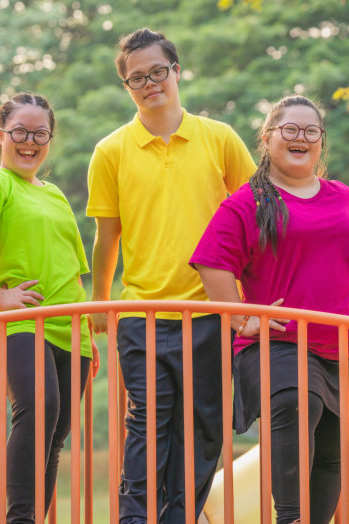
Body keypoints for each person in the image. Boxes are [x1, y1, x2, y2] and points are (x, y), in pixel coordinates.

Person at [189, 95, 349, 524]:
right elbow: (211, 262)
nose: (301, 138)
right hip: (282, 343)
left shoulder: (345, 198)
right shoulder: (246, 203)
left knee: (330, 459)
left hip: (348, 347)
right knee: (295, 403)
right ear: (268, 138)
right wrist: (241, 319)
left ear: (320, 143)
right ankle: (289, 518)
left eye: (311, 132)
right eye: (290, 129)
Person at [86, 28, 256, 523]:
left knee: (204, 425)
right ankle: (135, 518)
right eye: (136, 78)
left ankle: (179, 515)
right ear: (127, 86)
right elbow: (107, 237)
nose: (149, 84)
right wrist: (99, 301)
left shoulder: (219, 138)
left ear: (176, 71)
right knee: (147, 420)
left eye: (157, 72)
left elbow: (256, 217)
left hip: (213, 311)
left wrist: (252, 298)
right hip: (142, 311)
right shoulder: (111, 151)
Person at [0, 92, 99, 523]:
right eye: (19, 132)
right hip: (19, 323)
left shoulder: (54, 194)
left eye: (40, 133)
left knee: (55, 434)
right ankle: (20, 519)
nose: (29, 141)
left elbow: (73, 272)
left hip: (71, 330)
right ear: (0, 135)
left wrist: (87, 335)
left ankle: (34, 517)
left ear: (50, 139)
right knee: (40, 408)